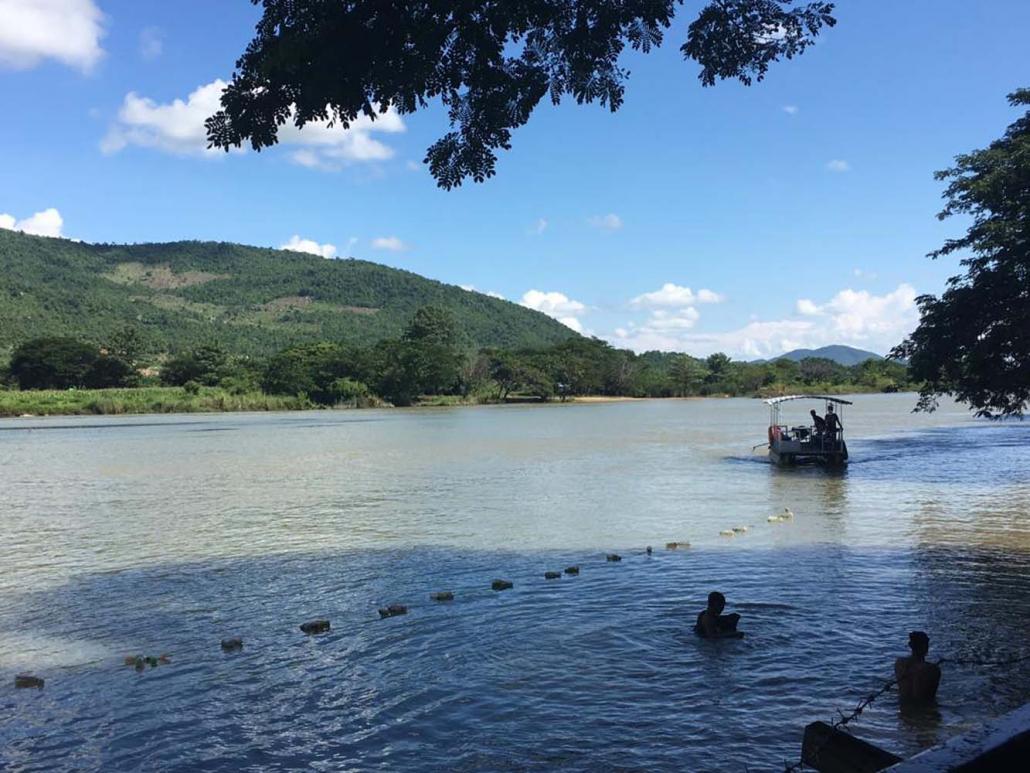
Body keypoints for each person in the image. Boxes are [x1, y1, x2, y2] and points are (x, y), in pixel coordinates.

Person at [895, 631, 941, 704]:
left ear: (910, 645)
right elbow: (932, 695)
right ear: (926, 646)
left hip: (904, 708)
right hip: (925, 710)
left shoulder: (899, 663)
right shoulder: (933, 669)